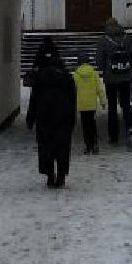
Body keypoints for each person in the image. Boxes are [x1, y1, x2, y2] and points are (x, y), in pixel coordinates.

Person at [25, 39, 76, 188]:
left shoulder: (40, 78)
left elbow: (34, 98)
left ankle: (49, 175)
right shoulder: (66, 77)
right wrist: (73, 117)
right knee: (62, 145)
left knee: (46, 145)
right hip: (63, 115)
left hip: (44, 114)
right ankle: (61, 175)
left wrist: (30, 117)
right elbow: (73, 98)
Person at [95, 17, 132, 145]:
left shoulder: (103, 40)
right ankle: (130, 128)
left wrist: (105, 69)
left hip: (111, 79)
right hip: (126, 77)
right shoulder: (128, 38)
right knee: (126, 104)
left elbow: (99, 60)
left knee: (112, 107)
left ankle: (113, 136)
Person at [72, 55, 106, 155]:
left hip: (82, 104)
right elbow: (100, 89)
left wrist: (71, 104)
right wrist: (103, 102)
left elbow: (73, 90)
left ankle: (88, 146)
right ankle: (95, 144)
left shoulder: (76, 74)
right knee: (92, 123)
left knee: (85, 125)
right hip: (92, 104)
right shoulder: (94, 73)